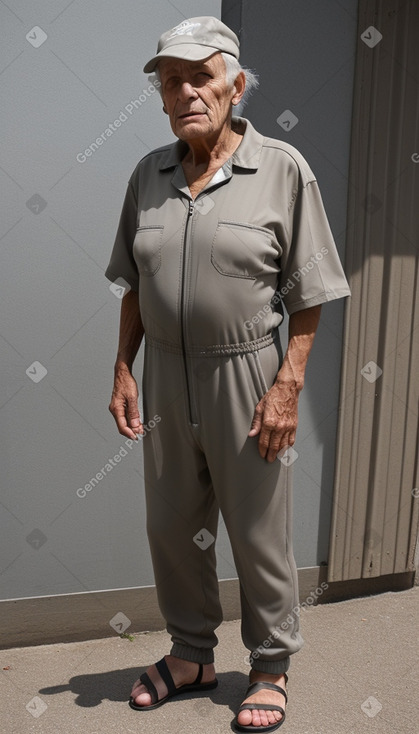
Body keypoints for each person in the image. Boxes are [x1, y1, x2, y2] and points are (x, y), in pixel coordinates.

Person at [106, 16, 350, 733]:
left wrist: (287, 384)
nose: (184, 93)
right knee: (171, 525)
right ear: (159, 97)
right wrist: (124, 367)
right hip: (164, 377)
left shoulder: (281, 169)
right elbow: (133, 283)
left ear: (235, 85)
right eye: (169, 82)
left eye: (200, 78)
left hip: (247, 374)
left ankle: (270, 665)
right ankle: (191, 656)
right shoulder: (147, 175)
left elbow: (309, 291)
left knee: (256, 530)